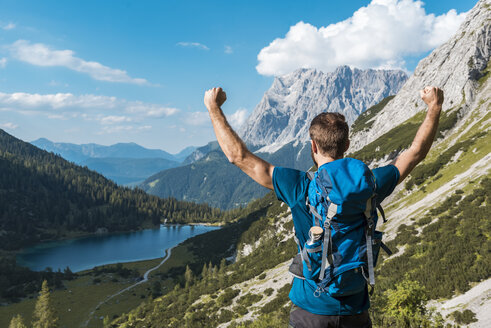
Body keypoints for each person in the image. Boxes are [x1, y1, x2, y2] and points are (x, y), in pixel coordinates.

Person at [204, 86, 444, 328]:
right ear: (347, 144)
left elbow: (238, 156)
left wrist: (213, 108)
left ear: (313, 146)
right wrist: (434, 107)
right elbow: (415, 154)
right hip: (356, 311)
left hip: (310, 312)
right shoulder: (369, 184)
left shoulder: (299, 186)